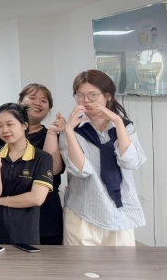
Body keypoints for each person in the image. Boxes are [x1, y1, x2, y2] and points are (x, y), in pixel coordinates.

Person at [59, 69, 146, 246]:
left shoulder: (125, 128)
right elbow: (81, 171)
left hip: (120, 210)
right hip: (82, 212)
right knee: (80, 264)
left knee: (123, 263)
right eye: (80, 95)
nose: (86, 100)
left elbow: (131, 162)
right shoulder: (72, 130)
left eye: (93, 95)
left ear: (107, 96)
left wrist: (118, 122)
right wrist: (68, 130)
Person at [0, 83, 64, 244]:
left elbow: (40, 192)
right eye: (32, 97)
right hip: (0, 223)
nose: (5, 130)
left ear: (24, 126)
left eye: (43, 100)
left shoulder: (44, 153)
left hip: (41, 216)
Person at [0, 103, 53, 245]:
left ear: (24, 125)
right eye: (0, 125)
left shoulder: (42, 158)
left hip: (25, 233)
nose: (4, 130)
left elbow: (36, 198)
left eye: (10, 124)